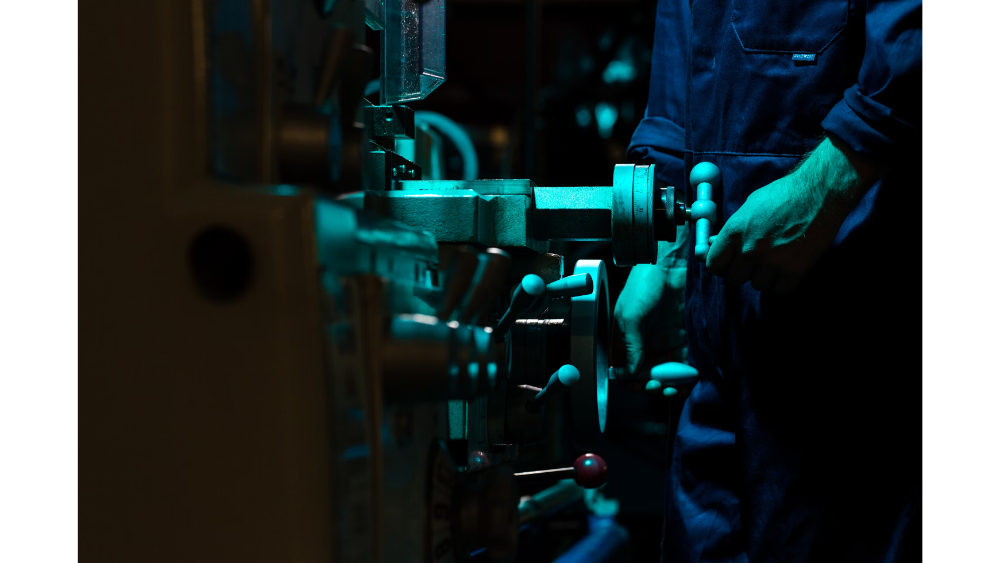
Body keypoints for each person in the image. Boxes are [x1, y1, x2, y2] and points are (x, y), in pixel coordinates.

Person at [616, 0, 923, 561]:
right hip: (716, 345)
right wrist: (663, 251)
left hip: (858, 332)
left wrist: (834, 176)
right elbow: (679, 70)